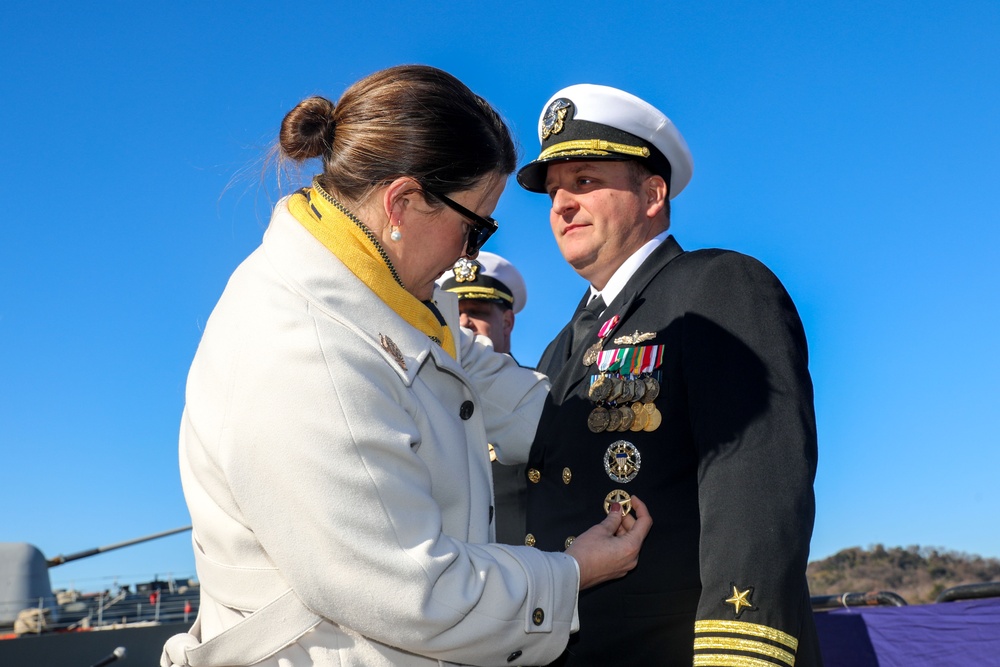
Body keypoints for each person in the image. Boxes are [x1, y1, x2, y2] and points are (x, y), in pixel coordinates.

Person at [161, 67, 652, 667]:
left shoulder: (393, 292)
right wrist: (573, 573)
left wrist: (628, 422)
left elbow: (491, 386)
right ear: (402, 202)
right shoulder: (300, 348)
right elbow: (414, 589)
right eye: (474, 229)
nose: (468, 254)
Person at [516, 84, 821, 666]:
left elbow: (754, 482)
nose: (561, 205)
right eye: (554, 191)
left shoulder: (717, 287)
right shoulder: (560, 348)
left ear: (653, 193)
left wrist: (739, 650)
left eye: (583, 182)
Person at [438, 252, 529, 545]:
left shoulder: (536, 397)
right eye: (455, 314)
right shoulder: (429, 399)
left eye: (477, 311)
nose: (464, 323)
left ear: (506, 322)